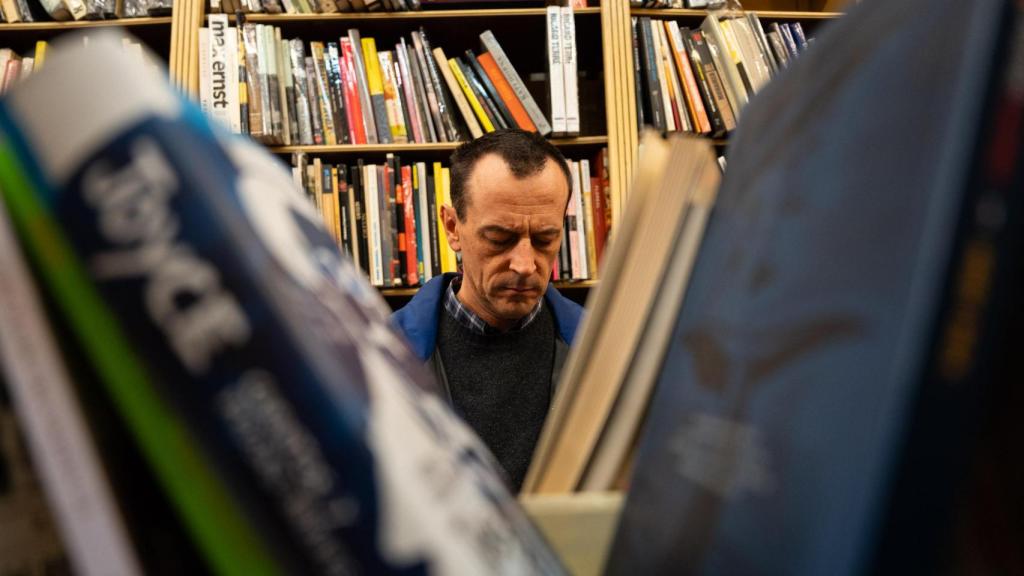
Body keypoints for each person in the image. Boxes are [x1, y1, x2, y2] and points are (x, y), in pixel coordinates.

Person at [392, 129, 584, 491]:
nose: (525, 265)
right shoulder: (379, 356)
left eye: (545, 239)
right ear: (452, 226)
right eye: (499, 238)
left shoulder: (604, 352)